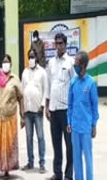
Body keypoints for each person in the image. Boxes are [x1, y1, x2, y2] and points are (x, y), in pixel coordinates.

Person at [46, 33, 74, 180]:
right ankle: (58, 174)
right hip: (54, 109)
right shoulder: (51, 62)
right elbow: (48, 85)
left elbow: (75, 86)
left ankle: (69, 175)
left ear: (65, 44)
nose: (58, 46)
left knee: (69, 144)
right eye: (56, 43)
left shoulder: (71, 62)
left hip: (67, 111)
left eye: (61, 43)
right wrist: (46, 106)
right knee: (56, 144)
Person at [67, 51, 99, 180]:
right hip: (75, 126)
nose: (75, 66)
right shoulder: (73, 82)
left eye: (77, 64)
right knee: (77, 158)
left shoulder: (91, 83)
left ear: (84, 65)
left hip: (86, 127)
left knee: (88, 158)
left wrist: (94, 125)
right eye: (75, 63)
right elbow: (70, 105)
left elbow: (94, 106)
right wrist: (69, 122)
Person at [21, 49, 47, 174]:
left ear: (36, 57)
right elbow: (22, 89)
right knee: (28, 137)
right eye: (29, 57)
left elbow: (46, 90)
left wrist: (42, 105)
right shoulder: (25, 72)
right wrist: (22, 110)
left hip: (38, 110)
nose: (31, 59)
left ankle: (42, 163)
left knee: (40, 137)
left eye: (33, 56)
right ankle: (30, 162)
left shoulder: (42, 72)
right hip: (27, 110)